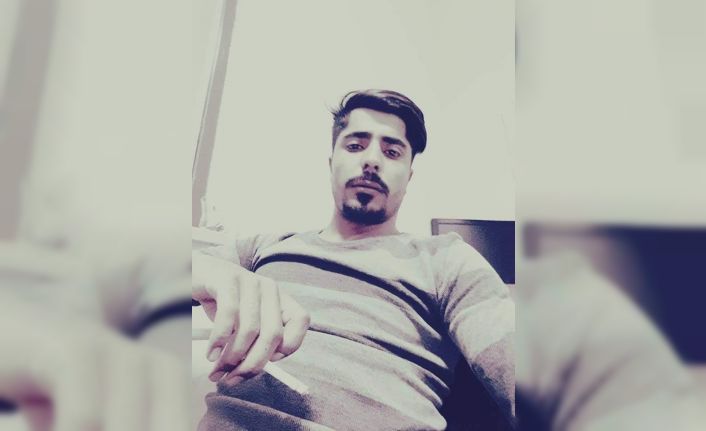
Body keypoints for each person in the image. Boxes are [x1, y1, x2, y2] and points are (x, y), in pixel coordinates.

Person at [192, 90, 516, 430]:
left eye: (392, 152)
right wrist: (208, 270)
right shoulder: (266, 247)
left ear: (409, 176)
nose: (372, 160)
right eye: (355, 146)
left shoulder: (446, 259)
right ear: (331, 163)